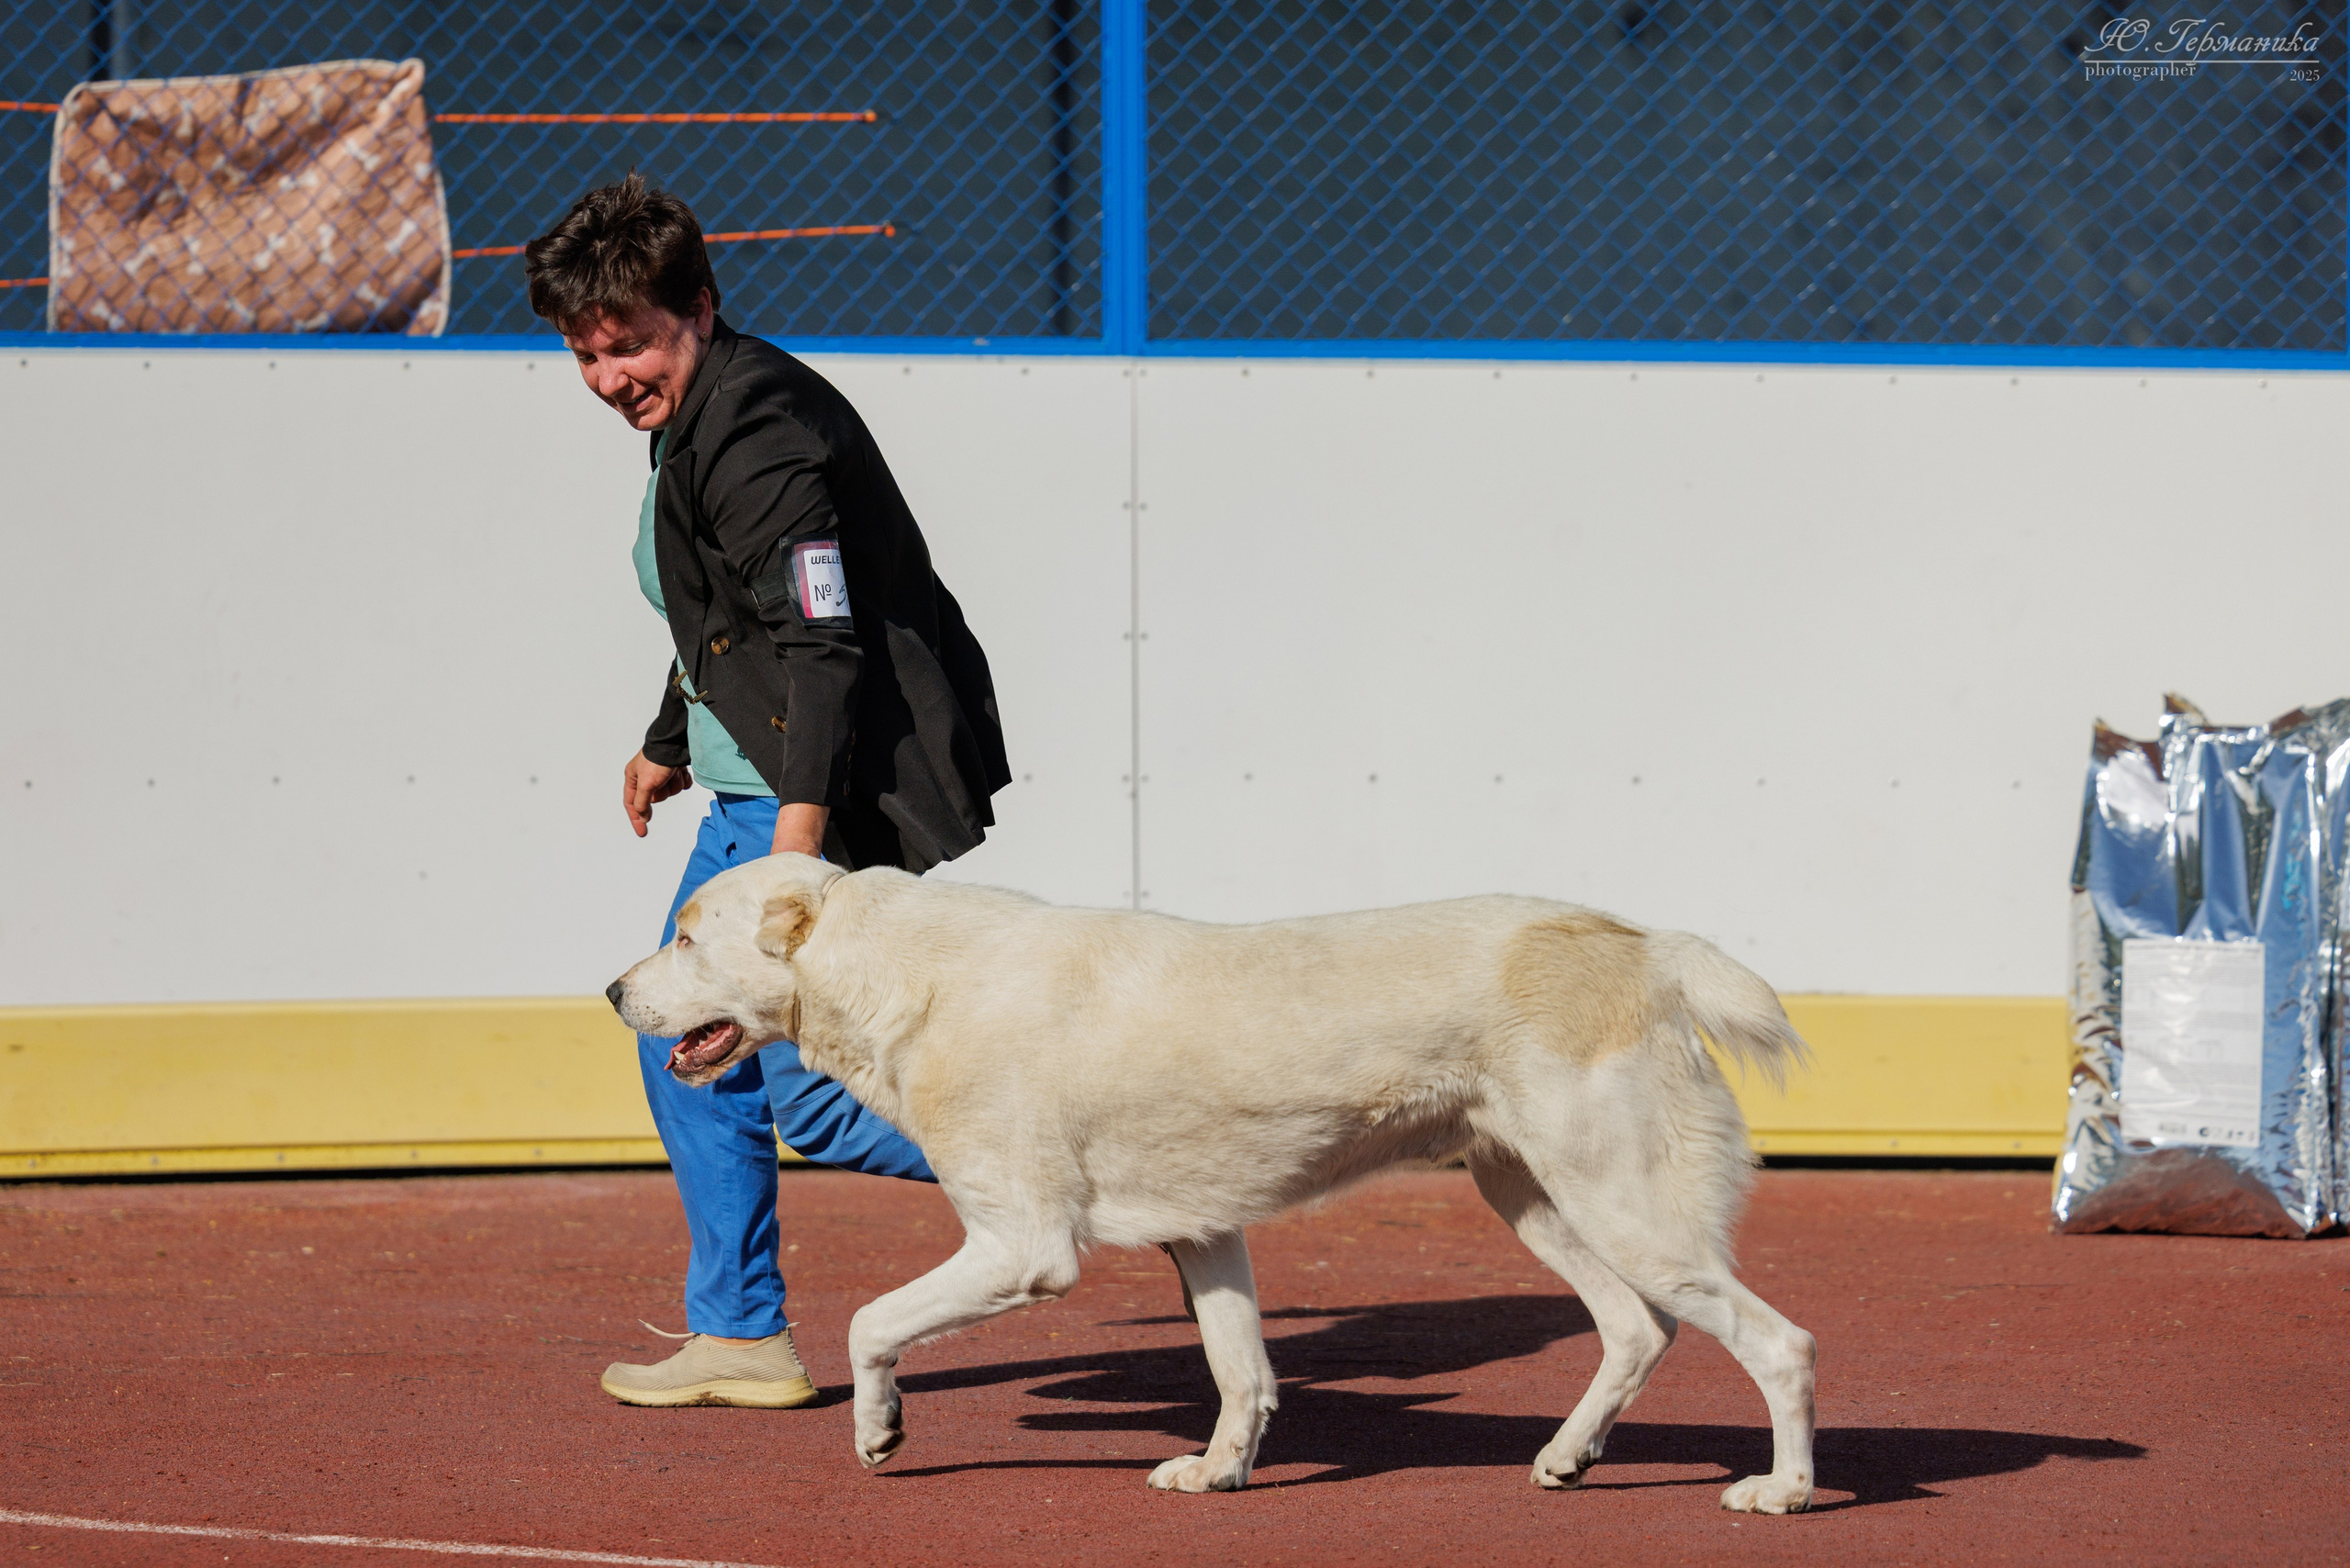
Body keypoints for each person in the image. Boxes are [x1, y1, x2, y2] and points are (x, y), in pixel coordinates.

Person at [521, 174, 1012, 1408]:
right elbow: (722, 620)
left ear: (699, 306)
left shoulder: (758, 430)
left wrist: (790, 859)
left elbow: (820, 643)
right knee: (750, 1067)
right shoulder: (696, 419)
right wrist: (668, 739)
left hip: (797, 799)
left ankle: (1065, 1172)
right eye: (584, 350)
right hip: (751, 779)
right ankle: (751, 1323)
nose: (606, 375)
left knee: (750, 1068)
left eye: (626, 342)